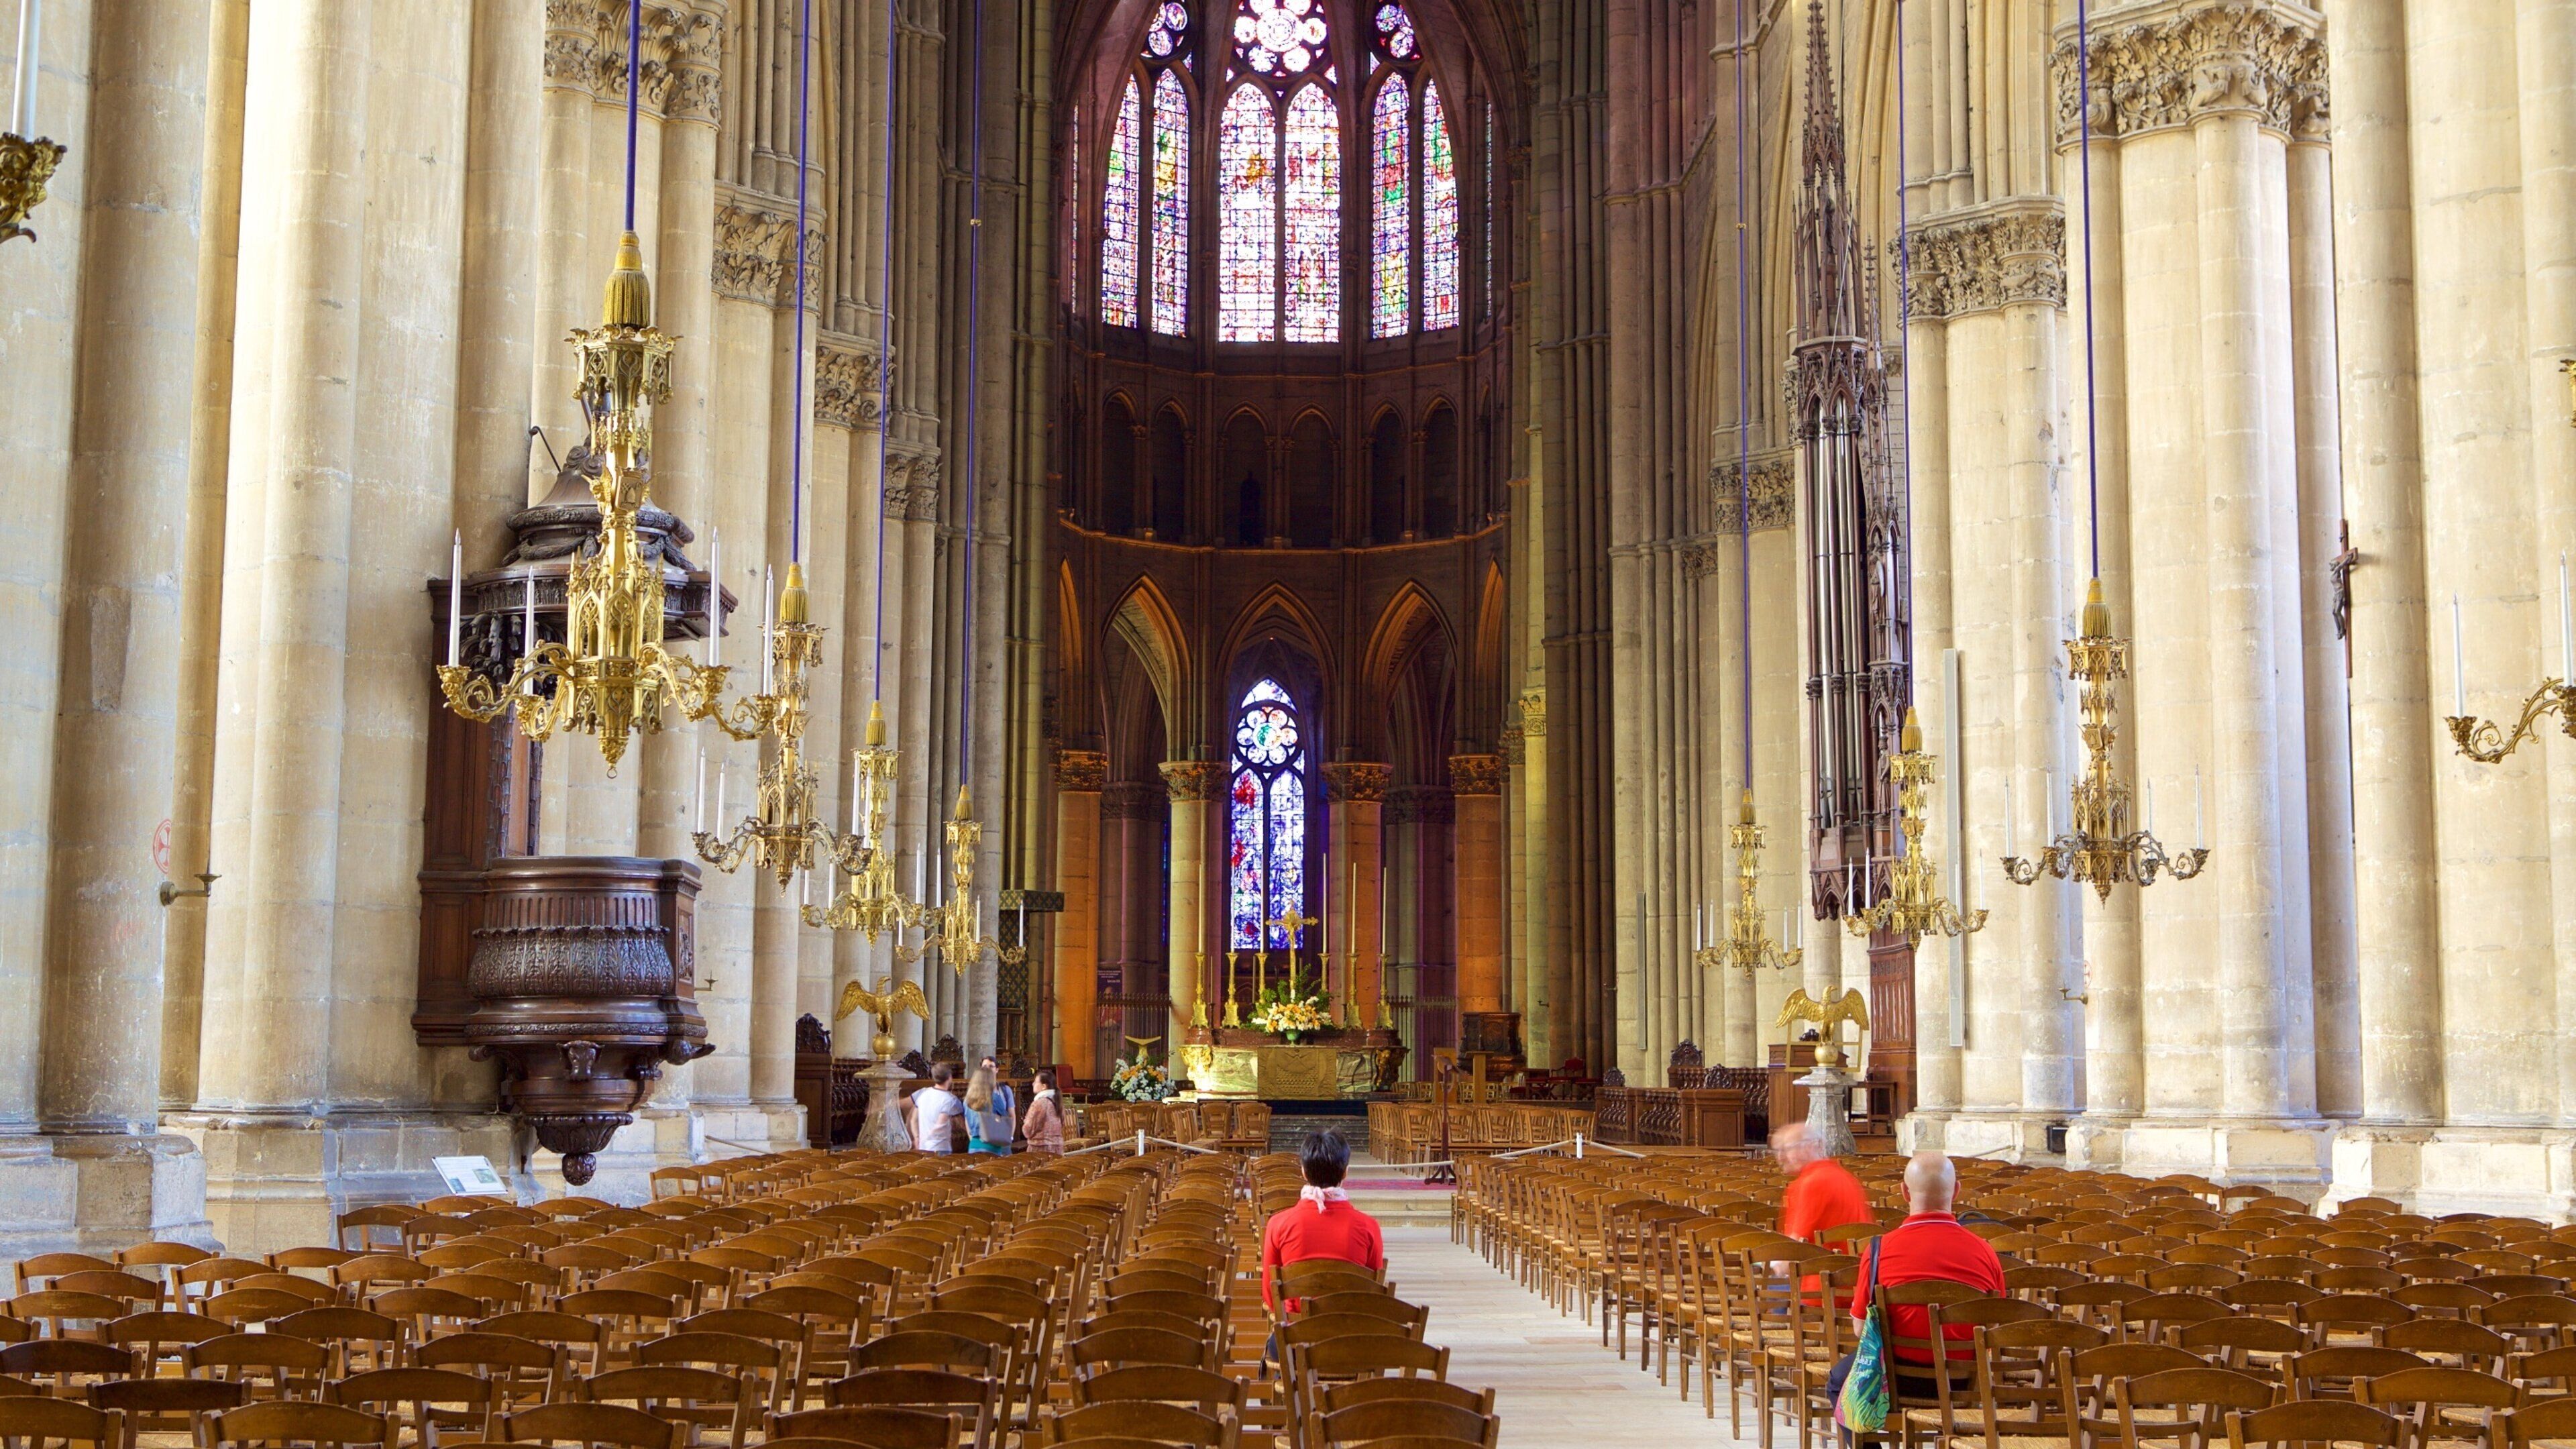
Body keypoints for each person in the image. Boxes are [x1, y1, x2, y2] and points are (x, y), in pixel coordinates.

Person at [1824, 1152, 2006, 1411]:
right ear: (1956, 1191)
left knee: (1837, 1383)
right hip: (1964, 1380)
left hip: (1897, 1378)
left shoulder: (1880, 1249)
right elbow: (1995, 1324)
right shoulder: (1985, 1252)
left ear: (1905, 1192)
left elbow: (1860, 1328)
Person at [1259, 1129, 1385, 1315]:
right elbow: (1374, 1292)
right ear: (1345, 1173)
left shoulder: (1278, 1225)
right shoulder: (1368, 1227)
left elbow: (1271, 1294)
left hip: (1295, 1337)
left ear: (1303, 1171)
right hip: (1349, 1336)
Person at [1774, 1122, 1872, 1246]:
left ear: (1809, 1147)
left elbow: (1796, 1247)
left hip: (1830, 1263)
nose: (1781, 1157)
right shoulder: (1843, 1175)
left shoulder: (1813, 1182)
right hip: (1855, 1263)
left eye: (1788, 1149)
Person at [902, 1062, 966, 1155]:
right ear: (950, 1078)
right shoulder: (950, 1100)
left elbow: (913, 1120)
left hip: (923, 1147)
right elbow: (962, 1124)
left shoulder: (923, 1094)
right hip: (941, 1148)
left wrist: (917, 1138)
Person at [963, 1064, 1012, 1156]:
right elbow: (1005, 1120)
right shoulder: (995, 1098)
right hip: (992, 1145)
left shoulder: (967, 1100)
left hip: (974, 1145)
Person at [1020, 1067, 1064, 1155]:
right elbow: (1062, 1124)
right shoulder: (1057, 1101)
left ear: (1044, 1086)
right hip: (1057, 1149)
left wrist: (1025, 1122)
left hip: (1040, 1150)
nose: (1033, 1084)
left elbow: (1028, 1130)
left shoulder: (1039, 1103)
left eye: (1036, 1082)